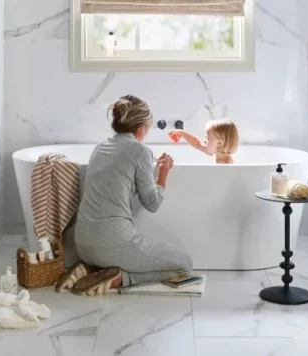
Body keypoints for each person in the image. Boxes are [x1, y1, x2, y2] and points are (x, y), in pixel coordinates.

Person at [54, 94, 193, 296]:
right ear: (141, 127)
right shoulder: (140, 151)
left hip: (82, 245)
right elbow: (152, 203)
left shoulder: (100, 147)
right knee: (184, 264)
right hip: (113, 244)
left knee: (106, 250)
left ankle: (90, 268)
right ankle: (120, 279)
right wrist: (163, 170)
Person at [169, 119, 240, 164]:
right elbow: (197, 143)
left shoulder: (227, 163)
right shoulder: (215, 152)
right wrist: (181, 133)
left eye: (208, 139)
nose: (205, 142)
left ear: (219, 143)